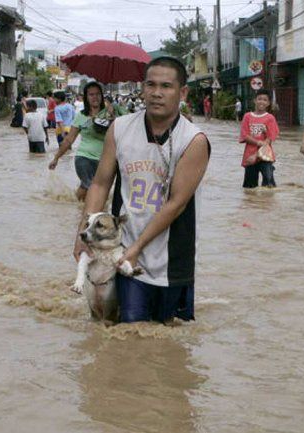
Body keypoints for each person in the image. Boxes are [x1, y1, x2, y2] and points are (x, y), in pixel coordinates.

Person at [72, 56, 210, 324]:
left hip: (171, 256)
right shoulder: (120, 129)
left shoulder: (194, 140)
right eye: (151, 84)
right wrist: (83, 233)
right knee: (127, 328)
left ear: (182, 92)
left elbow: (176, 204)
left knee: (166, 331)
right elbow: (100, 183)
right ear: (142, 88)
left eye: (166, 86)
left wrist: (138, 246)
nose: (157, 93)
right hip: (122, 251)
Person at [49, 82, 124, 201]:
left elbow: (122, 132)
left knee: (100, 189)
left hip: (105, 160)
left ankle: (76, 206)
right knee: (89, 185)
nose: (95, 97)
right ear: (86, 98)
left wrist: (114, 116)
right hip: (84, 158)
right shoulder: (81, 116)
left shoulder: (110, 113)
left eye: (98, 94)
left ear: (102, 96)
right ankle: (80, 212)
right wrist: (56, 157)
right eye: (91, 94)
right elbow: (69, 139)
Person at [240, 89, 279, 188]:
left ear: (269, 103)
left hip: (265, 156)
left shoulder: (270, 118)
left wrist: (257, 154)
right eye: (259, 99)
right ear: (255, 100)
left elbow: (270, 138)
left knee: (269, 186)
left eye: (265, 100)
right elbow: (245, 135)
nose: (262, 101)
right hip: (249, 156)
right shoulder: (247, 117)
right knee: (249, 188)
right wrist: (258, 143)